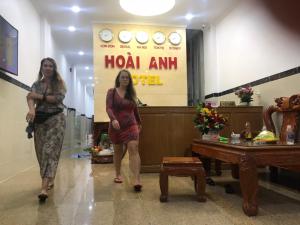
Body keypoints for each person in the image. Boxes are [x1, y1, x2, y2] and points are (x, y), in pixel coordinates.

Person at [26, 57, 66, 201]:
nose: (48, 68)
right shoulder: (36, 84)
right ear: (41, 68)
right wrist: (32, 110)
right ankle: (50, 177)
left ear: (54, 68)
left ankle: (43, 188)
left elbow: (57, 99)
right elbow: (30, 97)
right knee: (41, 152)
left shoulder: (59, 84)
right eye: (45, 65)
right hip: (40, 121)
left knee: (50, 151)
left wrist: (38, 96)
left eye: (50, 66)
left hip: (56, 120)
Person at [106, 69, 142, 192]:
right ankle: (118, 174)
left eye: (127, 77)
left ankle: (136, 179)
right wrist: (113, 119)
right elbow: (109, 108)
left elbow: (135, 110)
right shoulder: (112, 92)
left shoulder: (131, 94)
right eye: (123, 77)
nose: (125, 79)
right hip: (116, 126)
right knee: (118, 151)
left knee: (134, 148)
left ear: (129, 80)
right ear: (118, 79)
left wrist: (139, 122)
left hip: (131, 125)